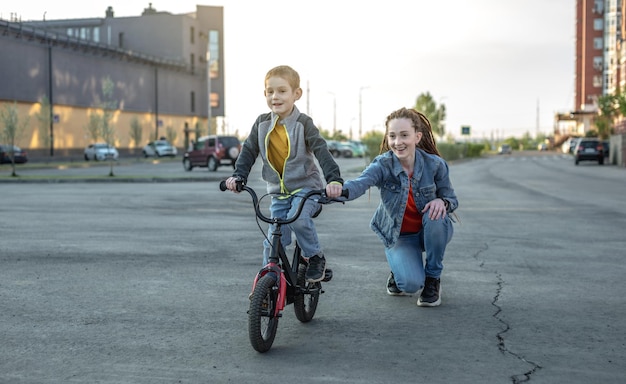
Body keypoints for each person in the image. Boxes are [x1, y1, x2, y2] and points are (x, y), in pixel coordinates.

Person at [224, 65, 344, 283]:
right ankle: (266, 281)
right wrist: (238, 176)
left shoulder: (303, 123)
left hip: (307, 189)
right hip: (278, 193)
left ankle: (315, 257)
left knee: (297, 221)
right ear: (264, 94)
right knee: (274, 238)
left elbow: (320, 149)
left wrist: (334, 179)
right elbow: (249, 150)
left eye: (281, 91)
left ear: (296, 94)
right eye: (270, 91)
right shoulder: (261, 123)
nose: (275, 96)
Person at [343, 107, 457, 307]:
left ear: (417, 136)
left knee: (436, 215)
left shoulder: (435, 165)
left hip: (429, 231)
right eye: (392, 136)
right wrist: (335, 191)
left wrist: (443, 201)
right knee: (410, 284)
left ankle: (433, 279)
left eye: (404, 135)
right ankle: (399, 269)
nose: (398, 142)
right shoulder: (382, 165)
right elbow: (360, 184)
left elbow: (451, 198)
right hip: (399, 236)